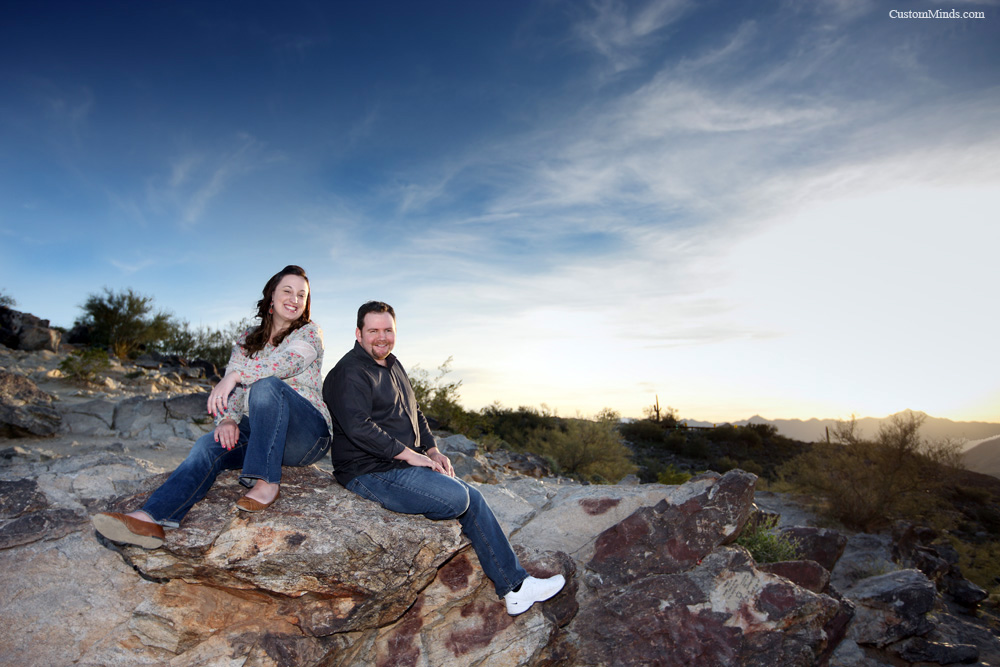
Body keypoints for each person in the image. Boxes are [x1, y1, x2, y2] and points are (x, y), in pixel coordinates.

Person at [323, 301, 565, 616]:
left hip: (397, 463)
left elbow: (414, 411)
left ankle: (516, 588)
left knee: (473, 497)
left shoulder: (393, 364)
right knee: (457, 497)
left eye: (388, 330)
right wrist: (411, 456)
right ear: (359, 333)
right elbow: (359, 429)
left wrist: (431, 449)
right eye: (373, 331)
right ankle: (514, 585)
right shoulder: (347, 373)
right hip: (367, 471)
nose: (381, 337)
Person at [92, 265, 333, 549]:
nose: (294, 299)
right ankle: (151, 517)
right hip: (263, 430)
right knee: (208, 446)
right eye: (287, 291)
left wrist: (235, 375)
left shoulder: (309, 333)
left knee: (265, 385)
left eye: (302, 295)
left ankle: (266, 480)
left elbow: (285, 363)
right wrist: (228, 420)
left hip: (307, 434)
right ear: (271, 297)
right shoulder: (247, 339)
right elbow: (230, 393)